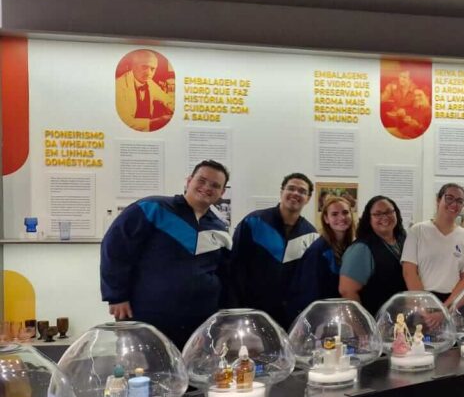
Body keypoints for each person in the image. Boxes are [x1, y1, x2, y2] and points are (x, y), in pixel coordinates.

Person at [100, 160, 232, 349]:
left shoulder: (220, 228)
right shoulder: (152, 208)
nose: (207, 188)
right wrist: (116, 296)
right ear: (189, 181)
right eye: (201, 180)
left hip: (199, 322)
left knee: (193, 368)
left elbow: (224, 273)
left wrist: (221, 317)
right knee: (146, 367)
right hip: (147, 316)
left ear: (222, 192)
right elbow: (115, 248)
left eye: (215, 185)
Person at [230, 173, 319, 329]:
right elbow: (234, 268)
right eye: (291, 188)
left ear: (308, 198)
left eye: (302, 191)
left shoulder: (311, 234)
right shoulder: (253, 222)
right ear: (281, 192)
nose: (296, 193)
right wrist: (236, 310)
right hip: (252, 313)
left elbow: (307, 282)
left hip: (290, 319)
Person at [402, 183, 464, 306]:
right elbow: (408, 271)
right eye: (449, 198)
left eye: (459, 201)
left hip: (452, 302)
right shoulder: (418, 231)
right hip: (421, 300)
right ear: (438, 200)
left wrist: (446, 308)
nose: (454, 204)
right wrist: (425, 305)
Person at [287, 194, 356, 322]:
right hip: (322, 319)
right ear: (326, 219)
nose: (341, 217)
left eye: (345, 212)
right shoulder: (318, 251)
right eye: (334, 214)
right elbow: (310, 294)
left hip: (342, 317)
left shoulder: (351, 246)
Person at [339, 196, 407, 315]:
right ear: (369, 219)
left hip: (400, 319)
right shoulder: (361, 249)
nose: (384, 217)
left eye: (389, 212)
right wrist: (361, 323)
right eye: (378, 214)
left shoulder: (403, 240)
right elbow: (347, 291)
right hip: (375, 319)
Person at [114, 49, 174, 132]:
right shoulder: (119, 86)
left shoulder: (149, 82)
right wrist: (157, 121)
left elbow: (166, 99)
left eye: (152, 69)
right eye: (144, 67)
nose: (148, 73)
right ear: (133, 66)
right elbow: (126, 122)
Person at [381, 69, 431, 139]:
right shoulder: (393, 86)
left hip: (408, 131)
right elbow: (383, 99)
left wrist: (406, 113)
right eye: (400, 76)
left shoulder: (416, 90)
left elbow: (423, 129)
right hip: (402, 125)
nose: (401, 79)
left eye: (404, 77)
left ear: (410, 80)